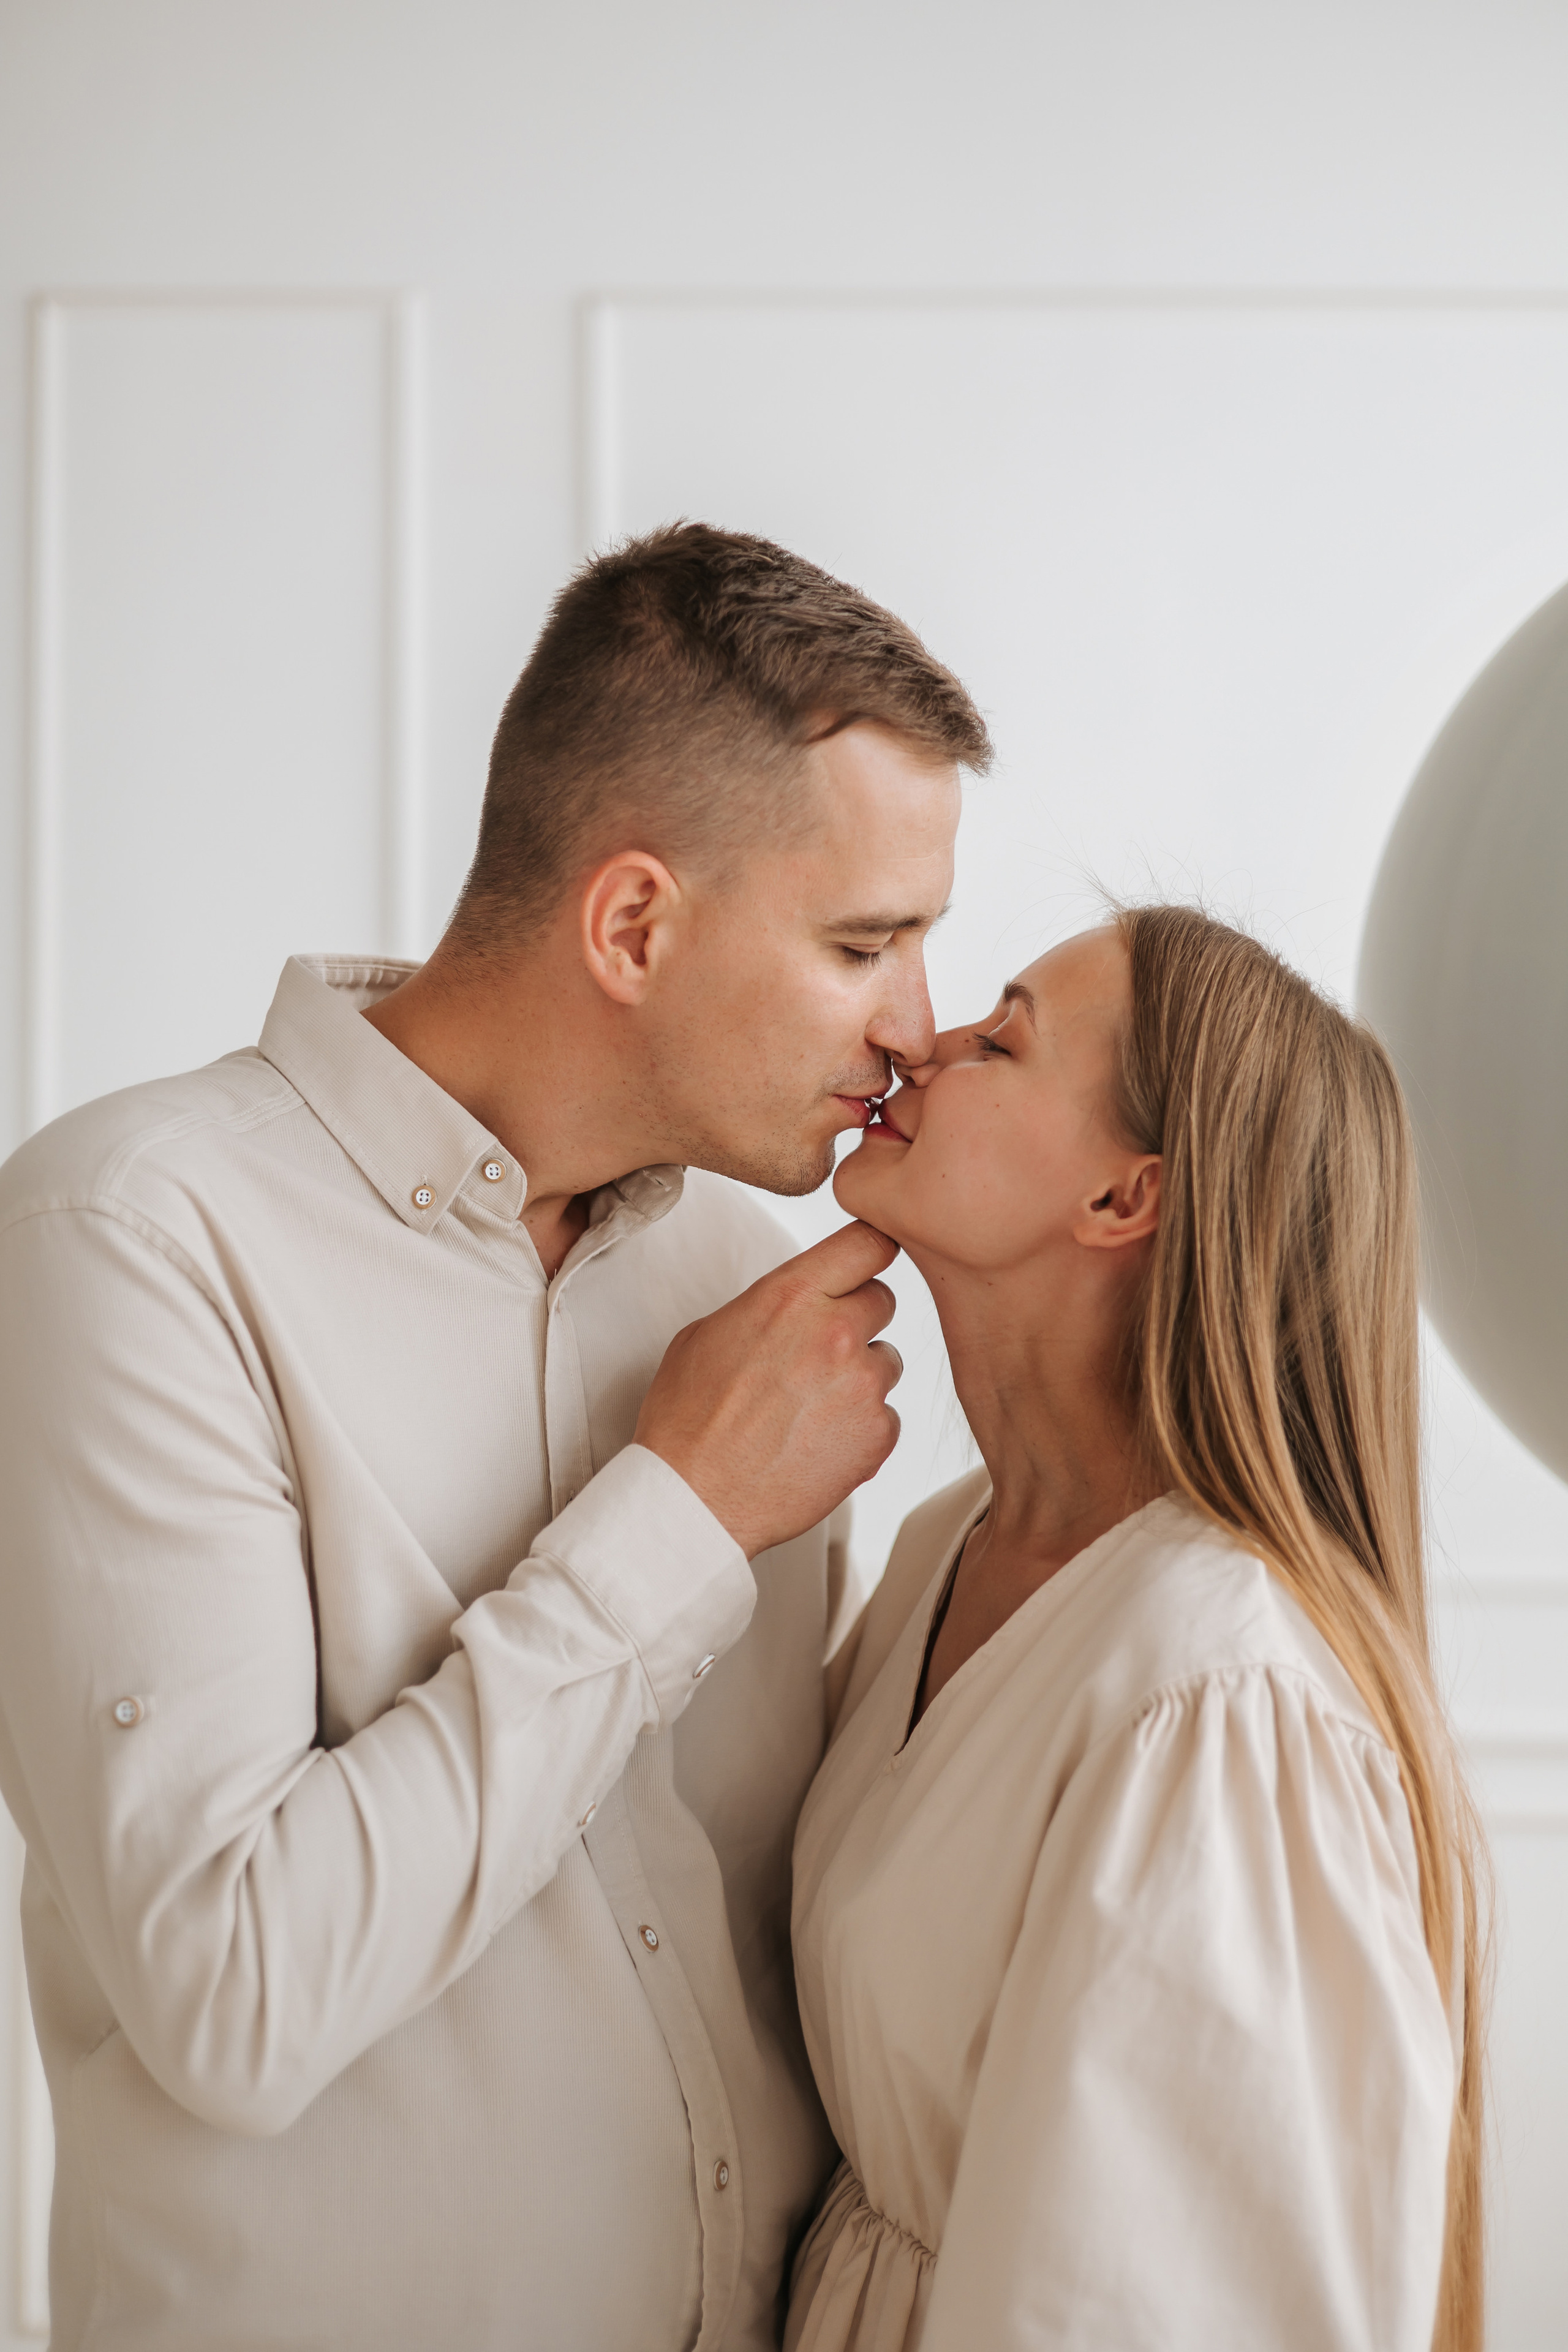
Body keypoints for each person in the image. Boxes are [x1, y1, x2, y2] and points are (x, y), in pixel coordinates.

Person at [0, 524, 991, 2351]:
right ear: (632, 921)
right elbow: (235, 1996)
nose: (915, 1029)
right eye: (867, 941)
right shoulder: (127, 1242)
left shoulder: (735, 1275)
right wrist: (679, 1510)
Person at [784, 906, 1486, 2352]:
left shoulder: (1222, 1702)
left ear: (1122, 1200)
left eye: (1002, 1037)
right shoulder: (941, 1550)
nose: (922, 1040)